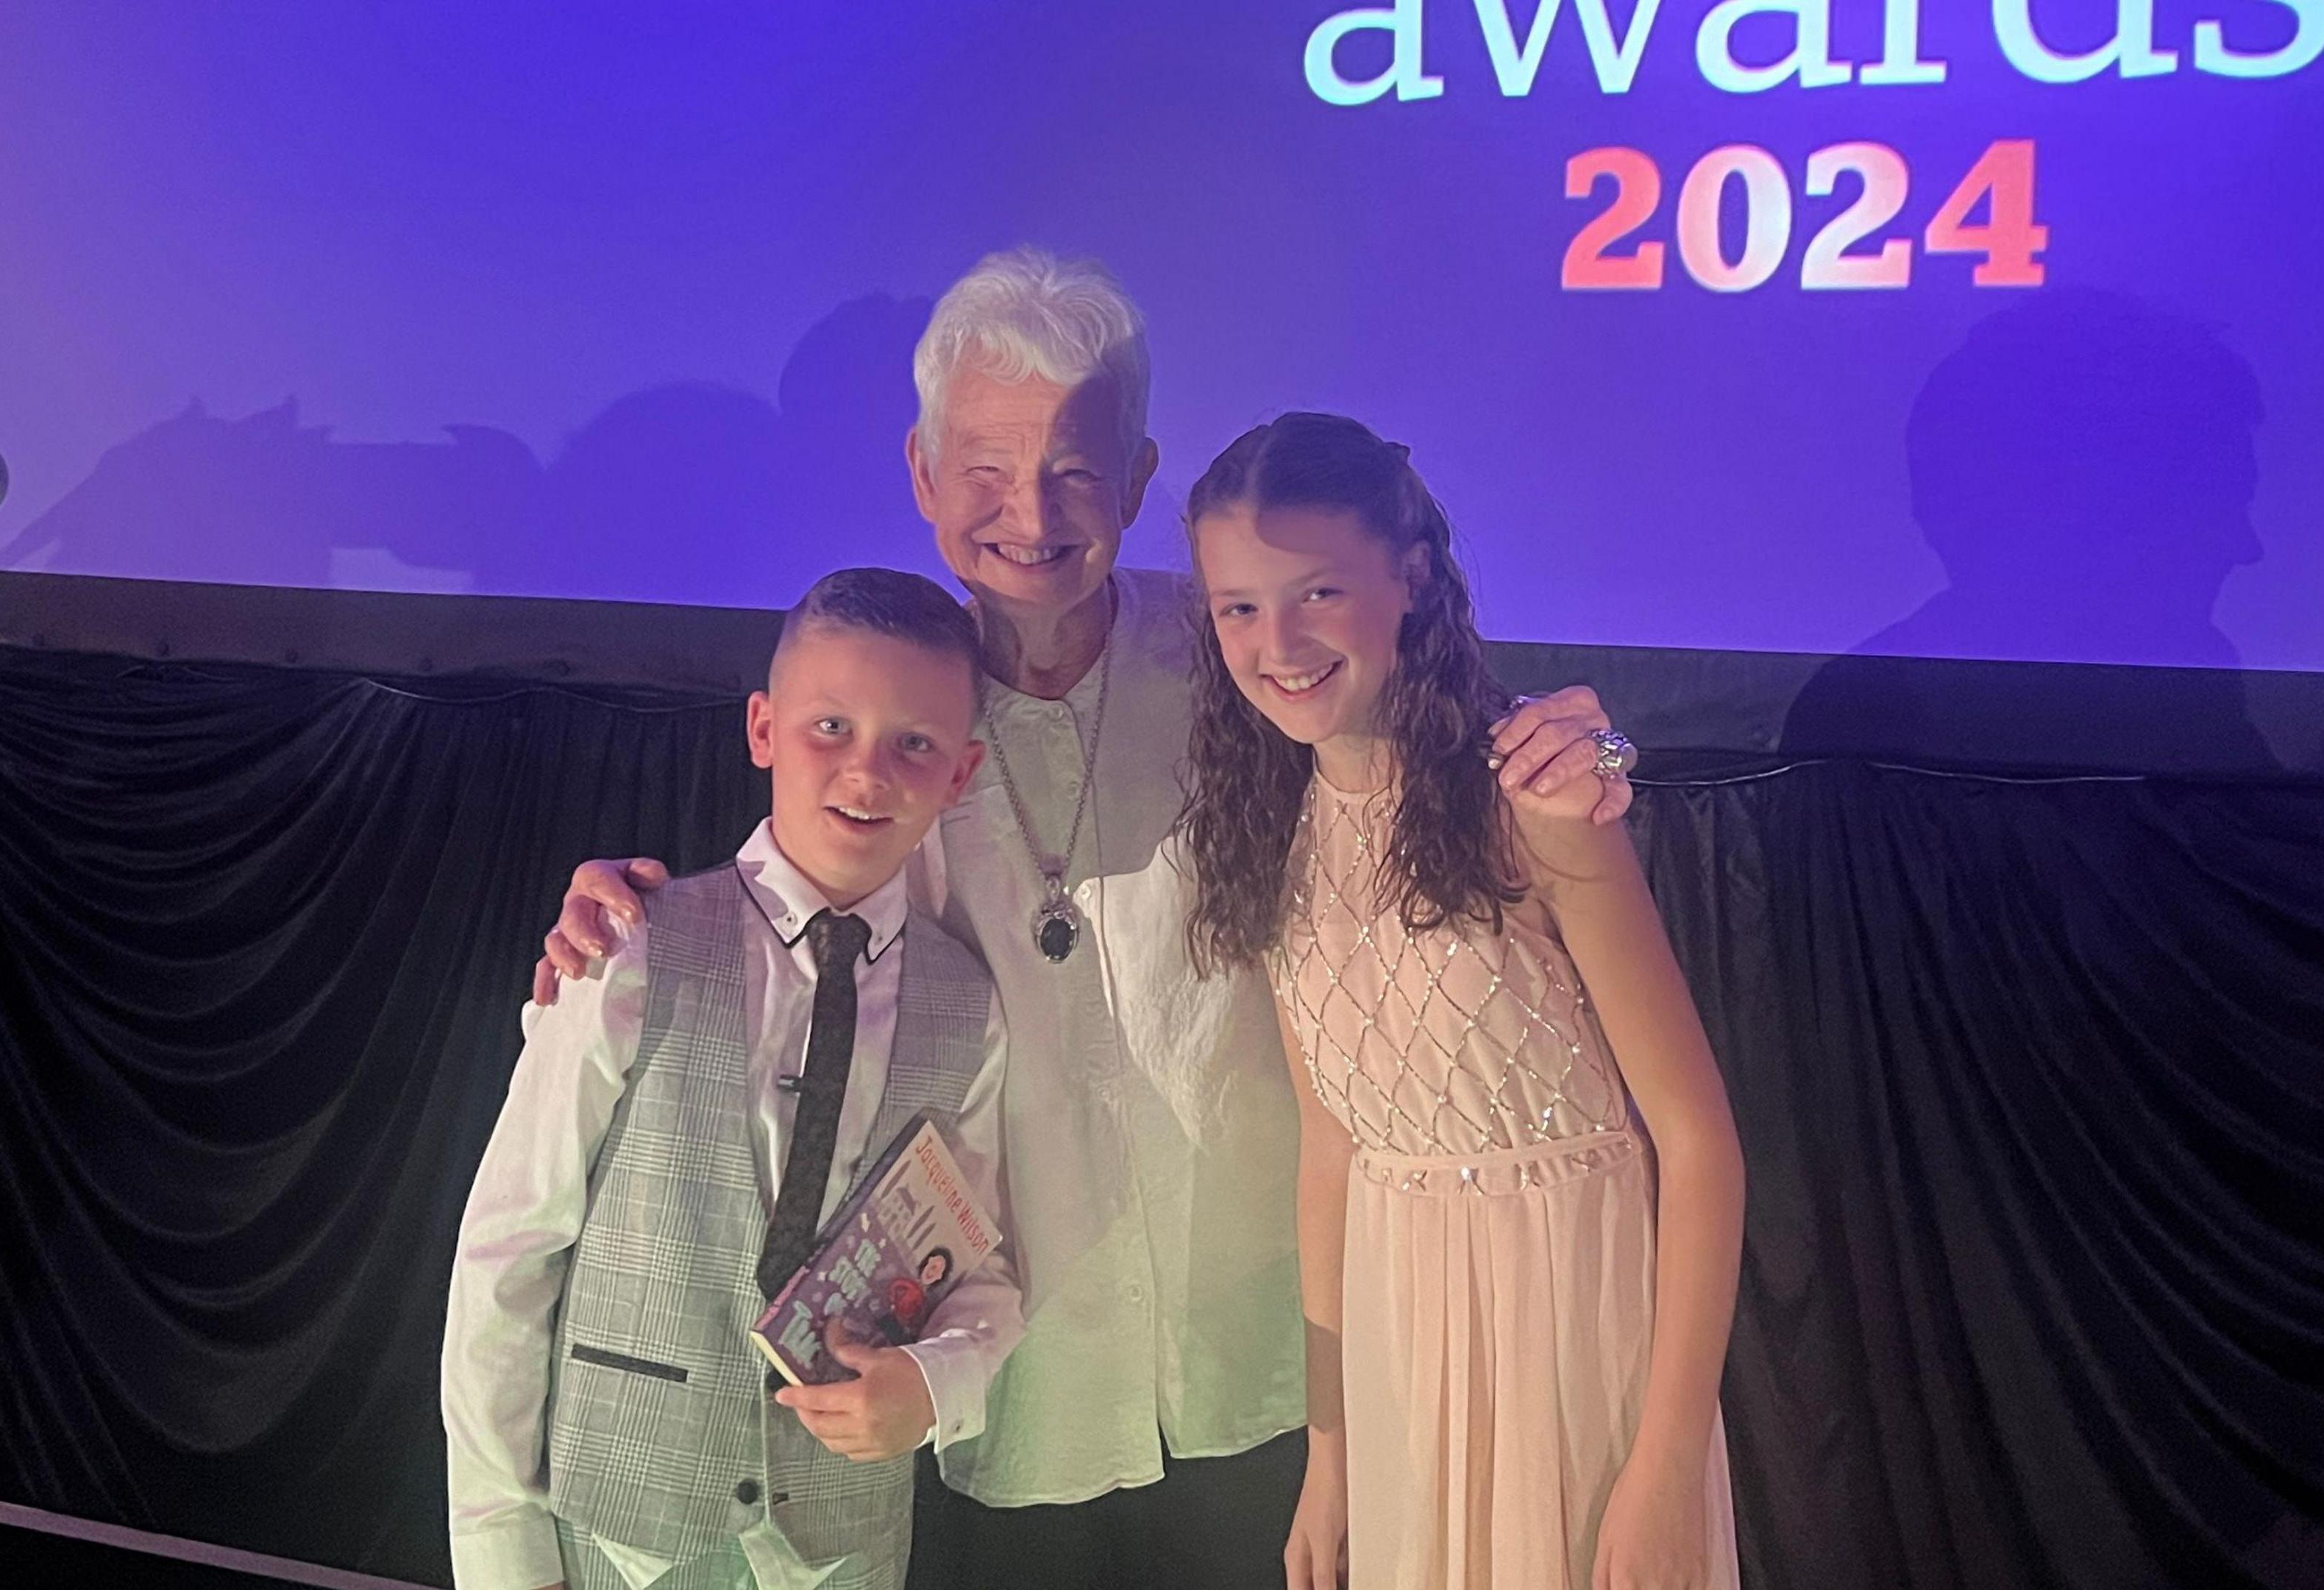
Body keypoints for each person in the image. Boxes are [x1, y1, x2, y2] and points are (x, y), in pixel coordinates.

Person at [535, 249, 1637, 1588]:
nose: (1031, 512)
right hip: (1017, 1365)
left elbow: (1448, 734)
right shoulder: (895, 704)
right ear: (924, 476)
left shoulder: (1239, 648)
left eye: (1075, 469)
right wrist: (632, 908)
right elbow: (792, 916)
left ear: (1136, 481)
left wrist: (1600, 748)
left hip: (1270, 1349)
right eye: (988, 468)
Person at [1178, 413, 1743, 1590]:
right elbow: (1330, 1153)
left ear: (1412, 577)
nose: (1277, 640)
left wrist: (1668, 1463)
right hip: (1403, 1350)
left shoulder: (1530, 800)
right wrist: (1328, 1457)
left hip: (1575, 1341)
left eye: (1317, 591)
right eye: (1239, 606)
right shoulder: (1275, 832)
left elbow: (1699, 1144)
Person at [443, 568, 1022, 1590]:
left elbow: (978, 1259)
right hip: (624, 1533)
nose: (869, 771)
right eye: (830, 726)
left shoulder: (970, 1005)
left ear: (962, 771)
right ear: (762, 728)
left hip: (843, 1544)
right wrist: (502, 1552)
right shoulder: (629, 948)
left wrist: (939, 1383)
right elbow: (511, 1247)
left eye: (915, 744)